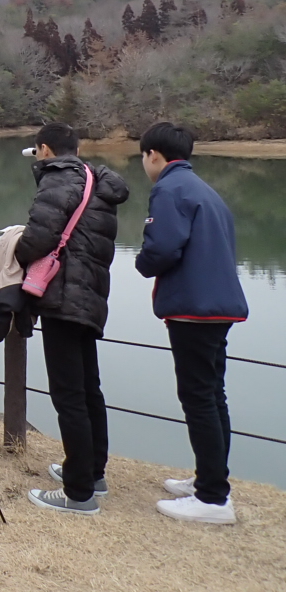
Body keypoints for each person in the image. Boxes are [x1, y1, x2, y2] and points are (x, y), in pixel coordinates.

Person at [135, 122, 247, 526]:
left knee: (198, 397)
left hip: (193, 309)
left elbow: (161, 247)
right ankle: (210, 480)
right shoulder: (203, 189)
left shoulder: (169, 189)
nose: (143, 164)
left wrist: (141, 262)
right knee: (213, 395)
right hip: (220, 306)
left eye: (142, 156)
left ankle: (213, 500)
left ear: (154, 155)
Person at [16, 122, 129, 516]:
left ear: (45, 149)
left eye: (37, 150)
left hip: (63, 296)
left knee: (68, 395)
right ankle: (92, 471)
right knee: (88, 388)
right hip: (91, 295)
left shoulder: (59, 180)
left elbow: (39, 237)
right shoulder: (97, 179)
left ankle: (78, 492)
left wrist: (17, 250)